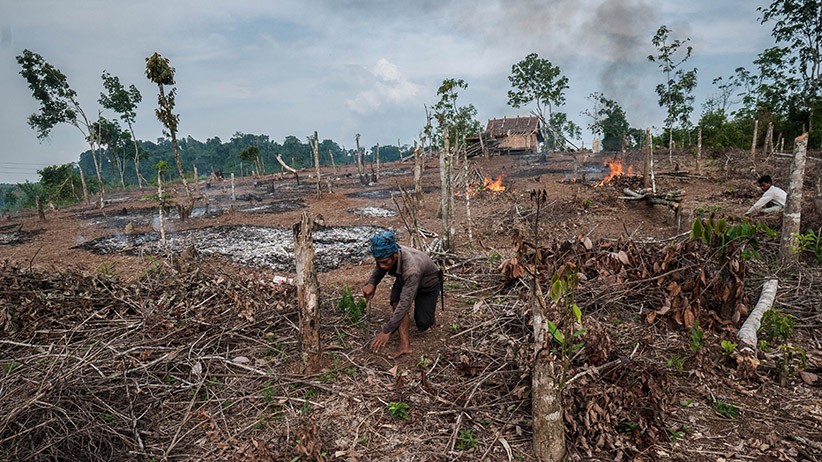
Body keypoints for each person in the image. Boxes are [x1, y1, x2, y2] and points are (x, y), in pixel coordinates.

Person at [363, 230, 442, 359]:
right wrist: (372, 283)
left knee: (423, 324)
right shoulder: (390, 254)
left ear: (395, 255)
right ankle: (405, 346)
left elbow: (405, 303)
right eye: (379, 262)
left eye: (385, 262)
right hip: (403, 280)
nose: (382, 266)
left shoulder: (411, 270)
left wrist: (387, 330)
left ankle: (428, 317)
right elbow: (380, 267)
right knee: (396, 301)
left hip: (427, 285)